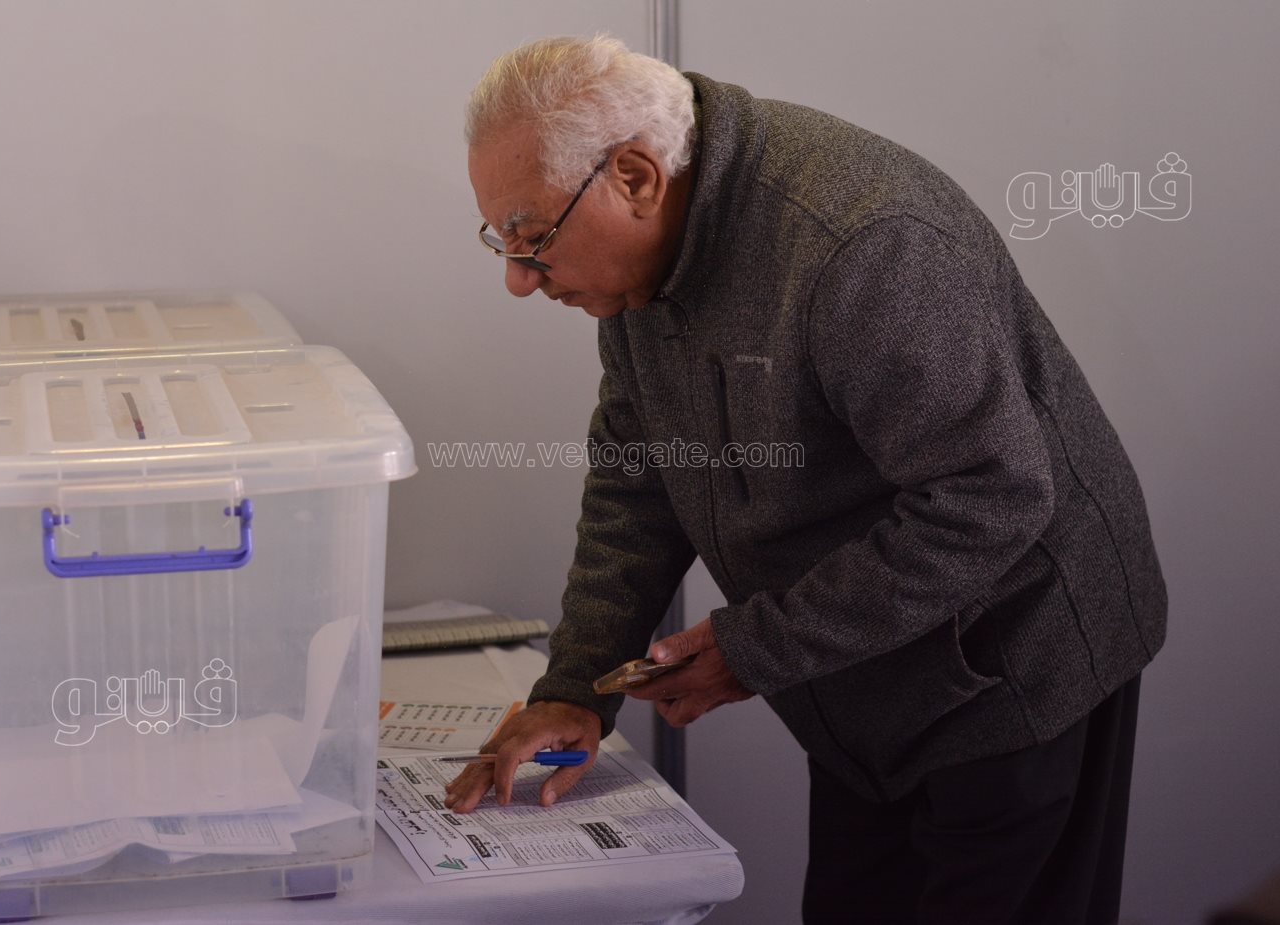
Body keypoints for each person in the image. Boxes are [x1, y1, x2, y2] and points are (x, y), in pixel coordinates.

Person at [445, 34, 1167, 925]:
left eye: (533, 240)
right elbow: (639, 480)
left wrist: (757, 647)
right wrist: (576, 686)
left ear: (634, 177)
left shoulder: (860, 243)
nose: (519, 280)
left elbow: (988, 496)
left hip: (1015, 662)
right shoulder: (639, 268)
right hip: (861, 671)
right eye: (501, 242)